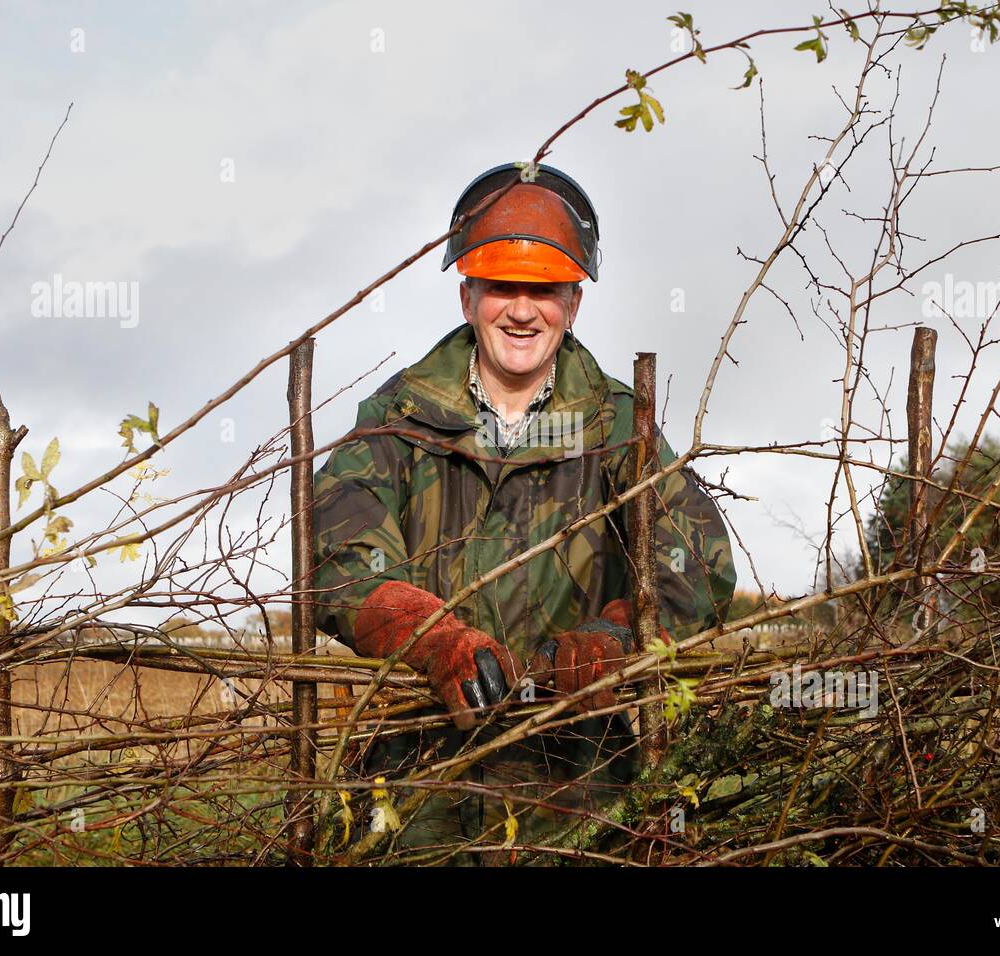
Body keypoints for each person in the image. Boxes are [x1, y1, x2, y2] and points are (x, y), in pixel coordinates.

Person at [312, 162, 737, 861]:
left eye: (541, 290)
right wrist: (434, 639)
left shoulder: (617, 425)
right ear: (467, 296)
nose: (521, 309)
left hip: (581, 793)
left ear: (573, 303)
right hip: (415, 786)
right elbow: (338, 558)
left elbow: (696, 562)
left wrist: (616, 633)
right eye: (501, 287)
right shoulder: (398, 417)